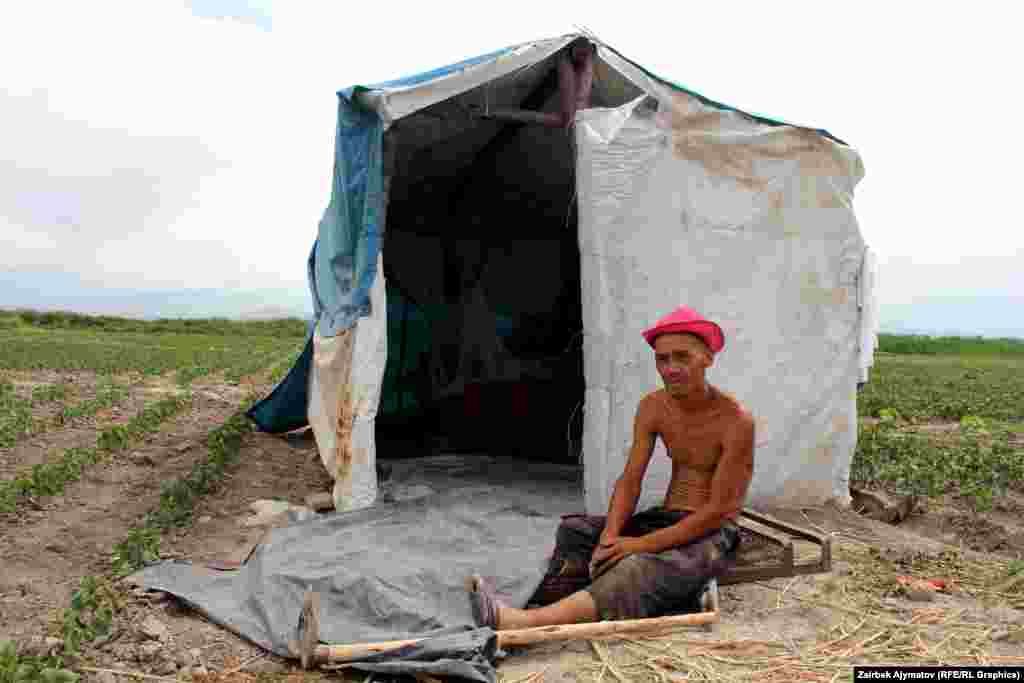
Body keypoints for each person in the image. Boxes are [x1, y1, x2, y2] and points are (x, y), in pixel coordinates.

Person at [466, 306, 755, 628]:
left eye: (682, 357)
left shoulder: (735, 420)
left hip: (710, 532)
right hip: (664, 519)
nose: (671, 368)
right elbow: (631, 480)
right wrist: (610, 536)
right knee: (575, 531)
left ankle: (526, 621)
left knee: (636, 565)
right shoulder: (653, 407)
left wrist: (636, 545)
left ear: (707, 358)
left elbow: (717, 512)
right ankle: (582, 592)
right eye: (662, 359)